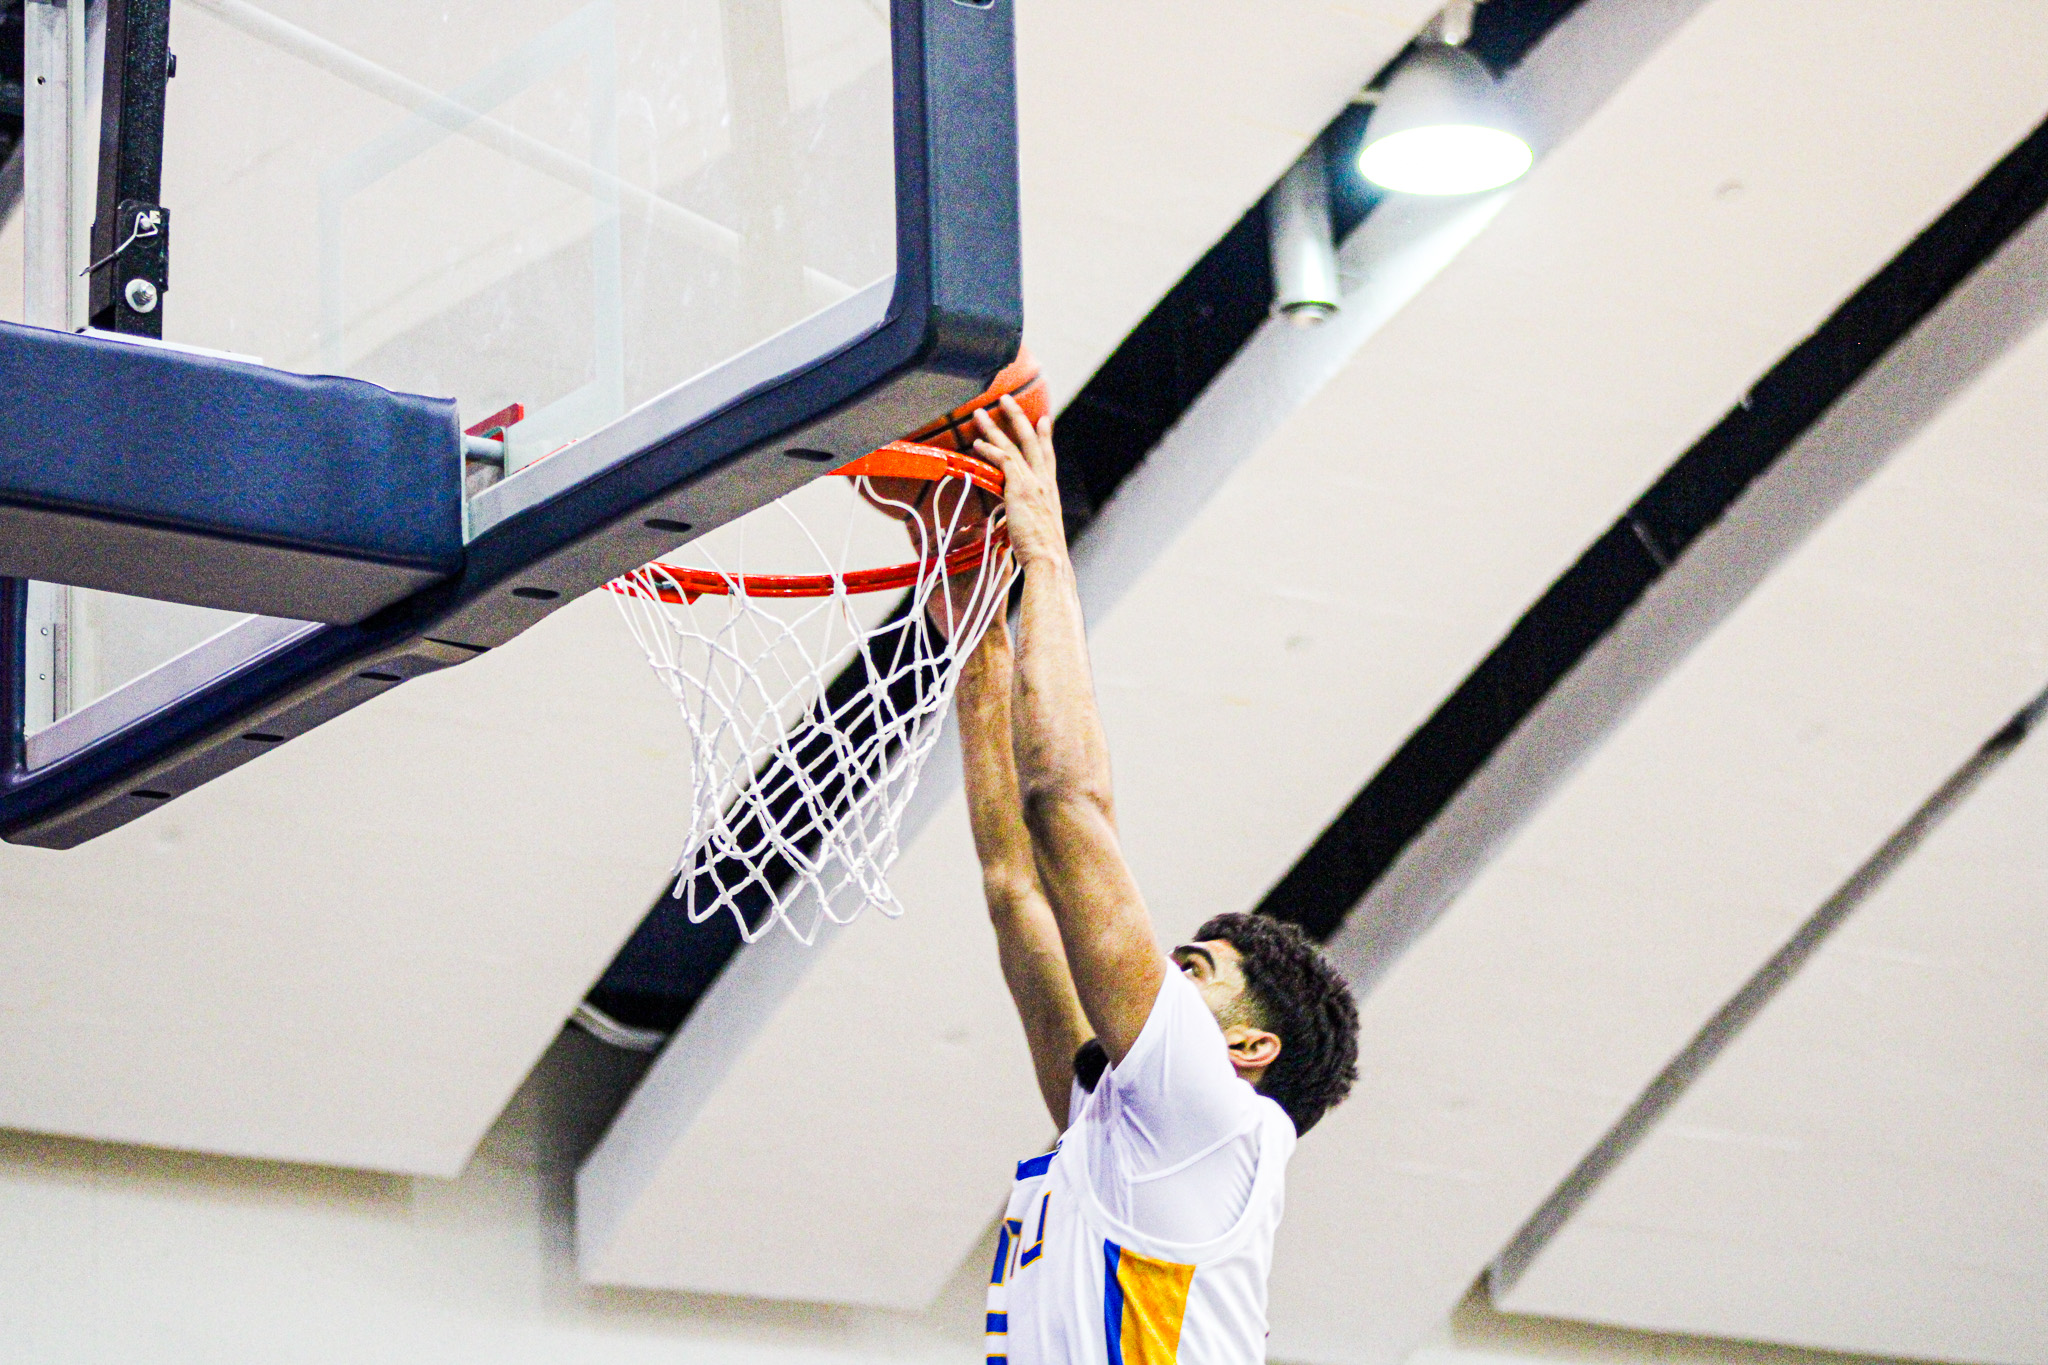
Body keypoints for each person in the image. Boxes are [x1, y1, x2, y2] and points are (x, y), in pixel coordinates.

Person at [954, 395, 1362, 1365]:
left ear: (1247, 1047)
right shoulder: (1141, 1132)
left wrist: (1043, 547)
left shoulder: (1210, 1121)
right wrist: (968, 593)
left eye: (1196, 971)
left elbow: (1064, 808)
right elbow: (1015, 882)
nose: (1160, 976)